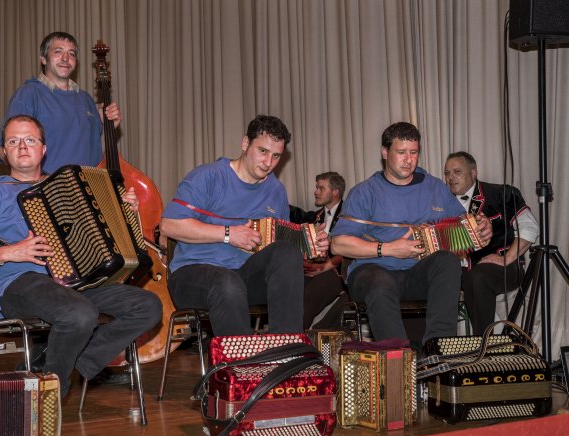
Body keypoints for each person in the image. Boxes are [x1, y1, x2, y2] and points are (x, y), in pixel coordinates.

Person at [0, 115, 161, 397]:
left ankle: (64, 359)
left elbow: (97, 234)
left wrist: (122, 211)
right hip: (19, 284)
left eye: (30, 140)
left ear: (43, 149)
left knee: (148, 305)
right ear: (4, 152)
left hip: (76, 283)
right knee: (79, 314)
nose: (22, 146)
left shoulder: (67, 187)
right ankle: (52, 392)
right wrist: (9, 252)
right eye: (13, 141)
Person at [160, 114, 329, 336]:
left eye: (276, 156)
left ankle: (286, 347)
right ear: (245, 143)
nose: (268, 163)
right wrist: (228, 234)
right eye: (263, 151)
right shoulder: (208, 176)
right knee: (227, 282)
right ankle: (242, 358)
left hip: (244, 277)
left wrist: (311, 245)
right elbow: (169, 225)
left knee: (287, 252)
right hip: (192, 275)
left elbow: (278, 246)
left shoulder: (276, 191)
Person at [330, 122, 492, 346]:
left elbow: (464, 226)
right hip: (373, 271)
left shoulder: (435, 188)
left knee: (447, 262)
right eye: (401, 152)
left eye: (413, 152)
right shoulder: (365, 192)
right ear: (385, 152)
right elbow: (337, 244)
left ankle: (438, 347)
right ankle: (399, 357)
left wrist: (481, 227)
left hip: (417, 274)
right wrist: (389, 249)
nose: (408, 160)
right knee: (379, 282)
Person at [0, 31, 122, 173]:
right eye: (58, 52)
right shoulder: (29, 94)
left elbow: (94, 153)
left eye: (71, 54)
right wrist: (32, 178)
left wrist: (109, 127)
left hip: (89, 185)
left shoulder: (86, 100)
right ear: (43, 59)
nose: (66, 58)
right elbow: (2, 150)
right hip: (50, 185)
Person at [444, 151, 538, 335]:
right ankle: (433, 346)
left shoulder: (501, 194)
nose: (451, 177)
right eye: (447, 173)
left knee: (477, 276)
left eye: (457, 172)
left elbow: (530, 227)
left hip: (504, 268)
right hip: (457, 272)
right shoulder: (441, 202)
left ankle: (484, 342)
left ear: (473, 173)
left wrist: (507, 258)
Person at [290, 172, 349, 329]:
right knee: (288, 288)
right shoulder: (314, 217)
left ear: (335, 192)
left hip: (337, 272)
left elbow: (349, 250)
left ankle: (294, 336)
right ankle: (286, 333)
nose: (316, 192)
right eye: (317, 188)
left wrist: (324, 267)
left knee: (308, 295)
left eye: (321, 188)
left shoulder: (350, 215)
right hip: (314, 269)